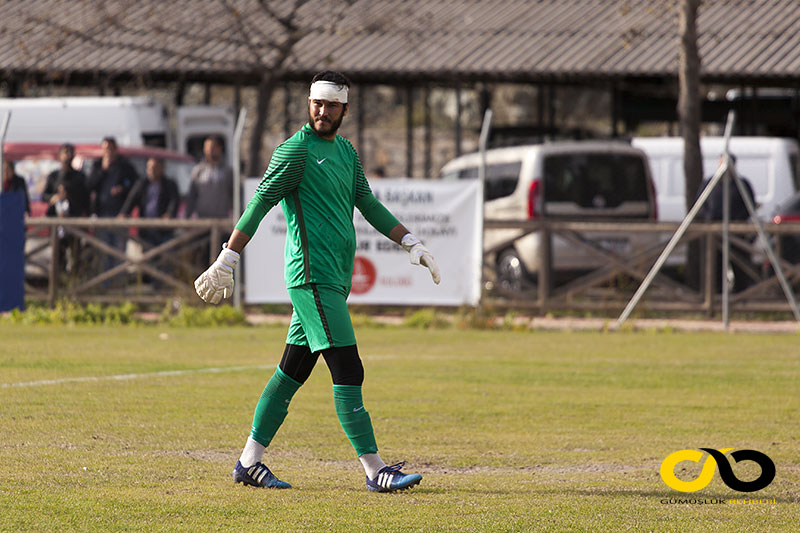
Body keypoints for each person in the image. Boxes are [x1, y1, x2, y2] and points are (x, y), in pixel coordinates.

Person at [194, 70, 441, 493]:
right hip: (312, 279)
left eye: (330, 105)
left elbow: (367, 203)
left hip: (333, 280)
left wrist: (409, 241)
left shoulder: (345, 151)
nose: (322, 112)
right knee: (348, 368)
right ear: (309, 104)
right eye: (316, 103)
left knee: (291, 372)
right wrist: (228, 255)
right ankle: (374, 468)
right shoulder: (295, 151)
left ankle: (248, 462)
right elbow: (260, 202)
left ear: (345, 107)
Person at [698, 153, 757, 292]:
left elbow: (750, 206)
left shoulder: (741, 184)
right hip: (714, 233)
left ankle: (741, 296)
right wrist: (709, 219)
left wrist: (738, 220)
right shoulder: (710, 183)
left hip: (737, 234)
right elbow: (701, 205)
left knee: (740, 266)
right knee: (714, 266)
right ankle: (714, 295)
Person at [87, 137, 139, 278]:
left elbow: (136, 188)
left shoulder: (125, 166)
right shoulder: (98, 166)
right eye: (105, 149)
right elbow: (90, 186)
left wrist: (123, 190)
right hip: (102, 214)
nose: (108, 152)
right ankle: (104, 284)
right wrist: (103, 170)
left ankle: (118, 284)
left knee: (118, 251)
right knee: (104, 252)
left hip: (119, 215)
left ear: (116, 149)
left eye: (110, 149)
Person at [119, 157, 179, 247]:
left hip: (163, 230)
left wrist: (169, 214)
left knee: (165, 257)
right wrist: (124, 213)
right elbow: (132, 200)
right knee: (147, 257)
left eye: (155, 167)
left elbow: (174, 201)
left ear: (162, 168)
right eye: (149, 167)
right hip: (146, 230)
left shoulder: (169, 184)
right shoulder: (142, 184)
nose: (152, 170)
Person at [185, 135, 233, 219]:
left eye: (213, 147)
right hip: (203, 220)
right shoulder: (198, 170)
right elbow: (192, 195)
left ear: (219, 149)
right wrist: (188, 215)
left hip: (223, 220)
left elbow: (235, 194)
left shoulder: (228, 171)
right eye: (207, 148)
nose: (210, 150)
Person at [41, 143, 90, 218]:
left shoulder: (80, 177)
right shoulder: (54, 176)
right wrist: (54, 197)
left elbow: (86, 198)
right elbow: (44, 196)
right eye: (66, 152)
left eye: (70, 153)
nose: (68, 156)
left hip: (74, 218)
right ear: (60, 155)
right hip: (56, 218)